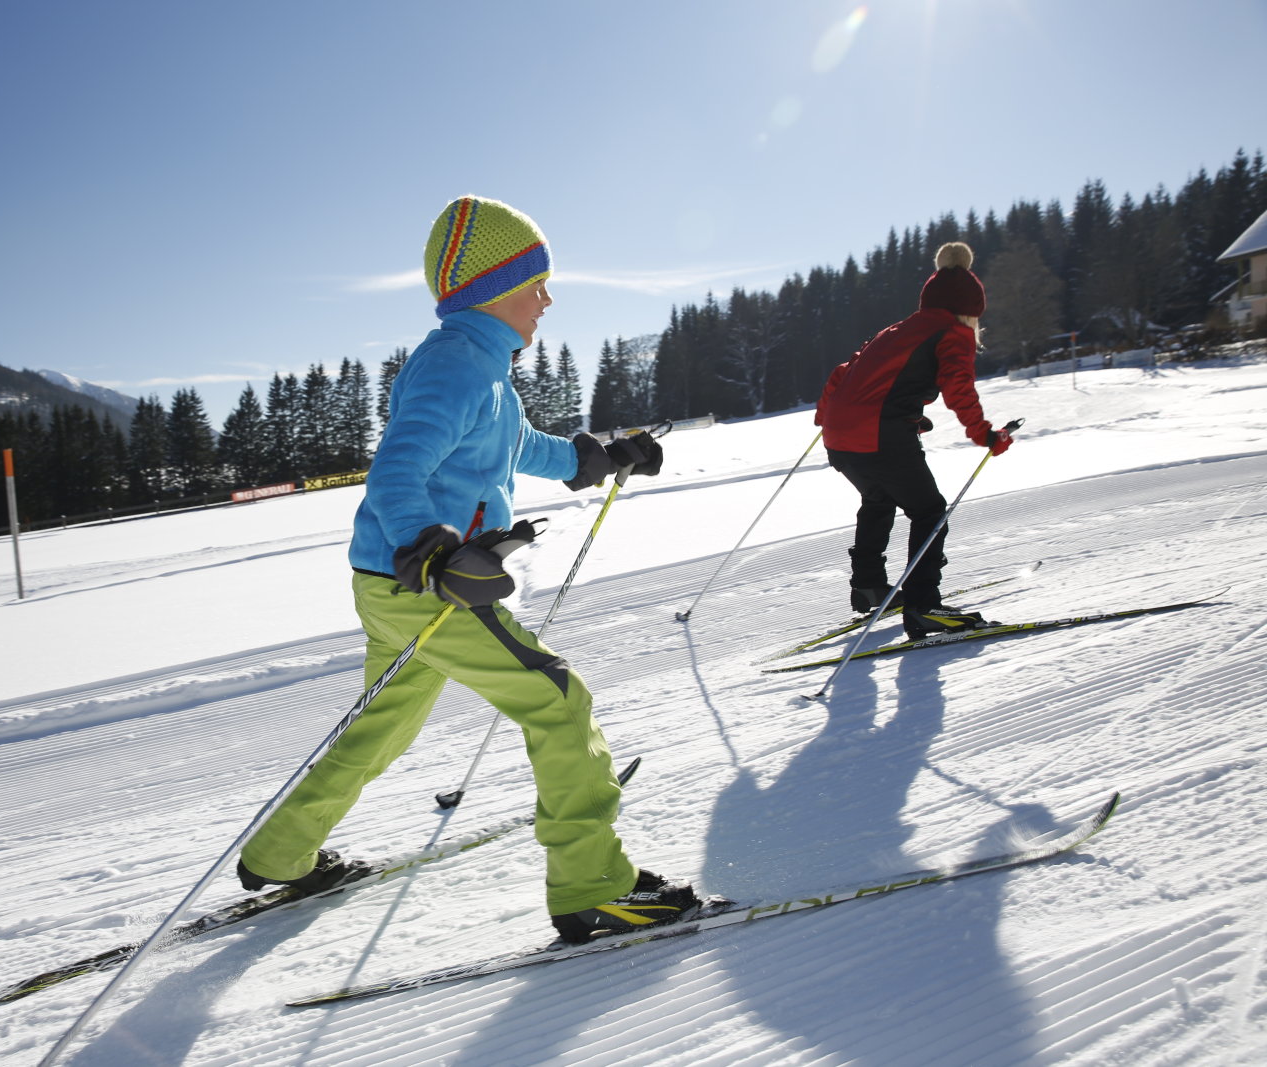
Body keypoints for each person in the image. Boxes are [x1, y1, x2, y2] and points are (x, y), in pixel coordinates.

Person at [236, 195, 700, 944]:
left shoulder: (481, 370)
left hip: (390, 584)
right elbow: (396, 470)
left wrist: (603, 456)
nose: (547, 299)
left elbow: (521, 449)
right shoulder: (457, 367)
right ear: (493, 286)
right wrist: (435, 546)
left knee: (380, 727)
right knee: (556, 699)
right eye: (535, 282)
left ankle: (281, 852)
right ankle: (592, 888)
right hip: (428, 586)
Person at [814, 241, 1015, 639]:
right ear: (970, 310)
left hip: (839, 436)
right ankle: (923, 606)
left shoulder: (899, 329)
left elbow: (844, 371)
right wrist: (986, 435)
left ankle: (869, 585)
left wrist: (829, 416)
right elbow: (959, 388)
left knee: (878, 497)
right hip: (878, 435)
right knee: (929, 511)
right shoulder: (953, 332)